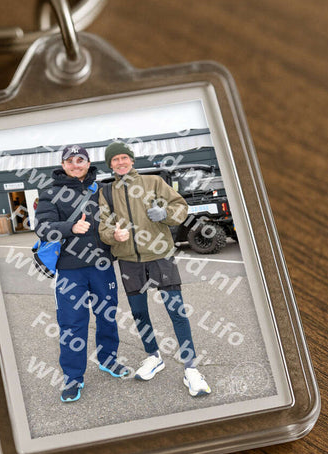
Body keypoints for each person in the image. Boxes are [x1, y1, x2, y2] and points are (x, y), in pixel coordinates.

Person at [98, 141, 211, 396]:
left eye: (124, 157)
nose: (120, 162)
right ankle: (153, 356)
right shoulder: (106, 192)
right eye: (115, 159)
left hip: (160, 256)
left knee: (176, 311)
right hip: (128, 260)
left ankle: (191, 368)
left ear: (132, 160)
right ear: (110, 164)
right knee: (139, 313)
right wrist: (113, 235)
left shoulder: (154, 182)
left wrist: (165, 214)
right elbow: (103, 225)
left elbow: (180, 207)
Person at [35, 144, 129, 403]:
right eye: (70, 161)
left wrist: (119, 234)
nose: (75, 165)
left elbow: (118, 218)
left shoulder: (103, 189)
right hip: (69, 271)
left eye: (80, 160)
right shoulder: (50, 192)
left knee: (107, 317)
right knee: (72, 324)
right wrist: (70, 227)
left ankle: (108, 360)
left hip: (102, 267)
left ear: (88, 163)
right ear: (63, 165)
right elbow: (42, 228)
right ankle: (73, 377)